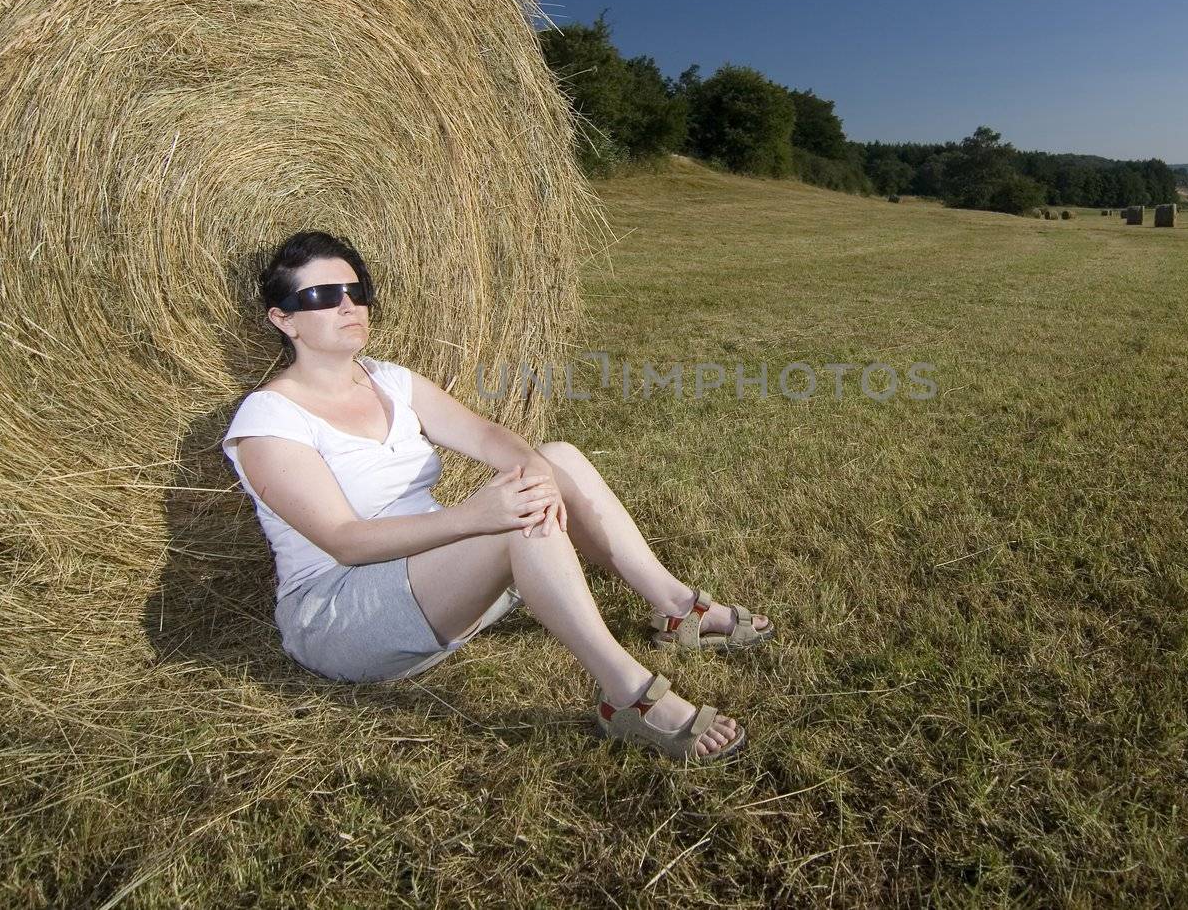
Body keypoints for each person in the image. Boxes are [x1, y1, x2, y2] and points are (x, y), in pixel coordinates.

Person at [221, 231, 776, 763]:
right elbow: (347, 542)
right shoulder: (270, 419)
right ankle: (628, 695)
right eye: (321, 296)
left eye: (356, 291)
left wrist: (535, 467)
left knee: (556, 456)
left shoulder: (389, 379)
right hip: (342, 615)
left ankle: (679, 609)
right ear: (283, 318)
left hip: (438, 581)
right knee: (515, 518)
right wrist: (475, 518)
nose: (348, 306)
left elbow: (488, 436)